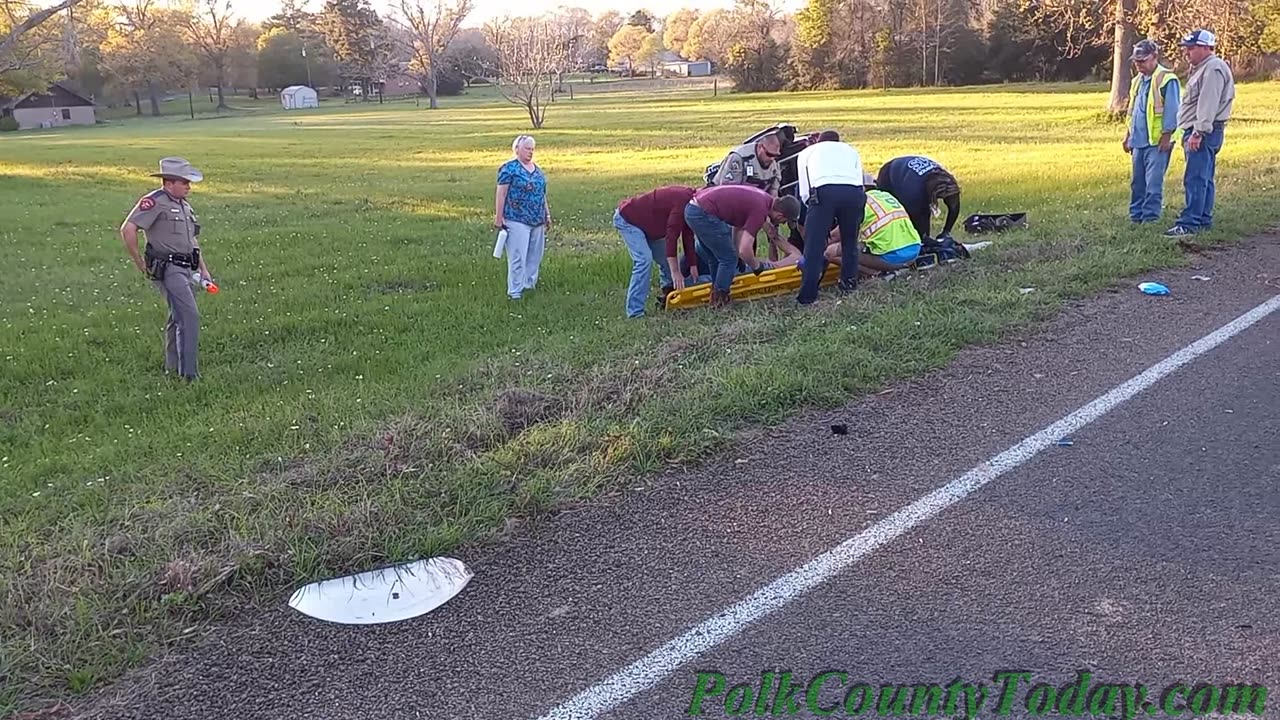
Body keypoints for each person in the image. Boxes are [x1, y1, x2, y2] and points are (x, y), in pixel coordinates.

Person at [119, 157, 212, 382]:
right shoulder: (154, 202)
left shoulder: (184, 204)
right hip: (167, 268)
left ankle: (172, 366)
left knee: (176, 314)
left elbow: (192, 241)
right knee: (189, 316)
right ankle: (189, 375)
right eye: (184, 182)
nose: (189, 186)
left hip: (186, 266)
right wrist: (140, 262)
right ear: (169, 183)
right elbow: (128, 229)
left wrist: (203, 269)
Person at [683, 184, 802, 307]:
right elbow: (744, 249)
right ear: (780, 215)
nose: (782, 224)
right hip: (703, 213)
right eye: (783, 222)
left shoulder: (763, 198)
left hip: (693, 208)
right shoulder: (760, 209)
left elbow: (737, 226)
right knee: (728, 260)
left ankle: (714, 295)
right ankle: (719, 301)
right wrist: (757, 266)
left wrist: (739, 255)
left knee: (716, 259)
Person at [1166, 29, 1235, 238]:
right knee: (1203, 176)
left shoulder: (1212, 68)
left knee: (1195, 177)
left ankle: (1189, 223)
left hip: (1203, 131)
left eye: (1192, 47)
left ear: (1206, 47)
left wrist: (1198, 132)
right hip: (1201, 130)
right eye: (1187, 48)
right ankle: (1203, 219)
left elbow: (1208, 103)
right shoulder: (1202, 68)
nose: (1187, 52)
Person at [793, 129, 866, 304]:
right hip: (854, 192)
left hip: (823, 191)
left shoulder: (807, 152)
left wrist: (815, 216)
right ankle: (849, 285)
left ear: (818, 141)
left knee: (814, 247)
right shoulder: (851, 150)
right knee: (849, 242)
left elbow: (805, 189)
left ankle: (808, 296)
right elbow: (859, 178)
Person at [614, 185, 698, 318]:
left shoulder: (691, 204)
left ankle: (669, 295)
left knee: (666, 261)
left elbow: (688, 235)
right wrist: (675, 272)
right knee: (644, 260)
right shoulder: (682, 202)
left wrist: (693, 265)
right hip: (629, 219)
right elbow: (672, 237)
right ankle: (635, 312)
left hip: (651, 226)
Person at [1123, 39, 1180, 224]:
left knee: (1153, 184)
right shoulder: (1137, 81)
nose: (1139, 64)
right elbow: (1133, 111)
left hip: (1157, 142)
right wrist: (1128, 135)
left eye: (1142, 60)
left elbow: (1172, 110)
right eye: (1136, 61)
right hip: (1138, 140)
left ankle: (1150, 218)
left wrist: (1167, 135)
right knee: (1137, 183)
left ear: (1155, 57)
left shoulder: (1167, 79)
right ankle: (1136, 216)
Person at [822, 183, 922, 276]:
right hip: (914, 250)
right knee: (857, 244)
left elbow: (834, 236)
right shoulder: (884, 196)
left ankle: (879, 274)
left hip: (893, 256)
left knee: (830, 252)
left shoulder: (859, 203)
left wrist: (811, 250)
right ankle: (897, 269)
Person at [494, 135, 551, 299]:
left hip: (537, 219)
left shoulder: (537, 170)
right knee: (518, 256)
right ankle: (515, 291)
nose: (530, 152)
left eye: (532, 149)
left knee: (535, 255)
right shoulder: (509, 169)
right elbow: (501, 193)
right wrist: (499, 217)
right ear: (517, 149)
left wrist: (547, 214)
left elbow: (542, 193)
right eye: (527, 148)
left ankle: (529, 285)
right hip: (516, 218)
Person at [874, 155, 961, 246]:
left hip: (911, 173)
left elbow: (954, 208)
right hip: (889, 172)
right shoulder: (914, 192)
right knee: (892, 213)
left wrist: (946, 232)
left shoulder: (949, 183)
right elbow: (915, 217)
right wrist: (924, 238)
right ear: (933, 193)